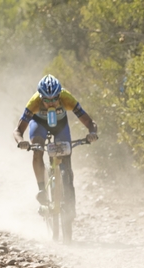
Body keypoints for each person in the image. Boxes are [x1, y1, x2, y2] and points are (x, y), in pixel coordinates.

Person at [13, 74, 98, 215]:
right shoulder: (34, 102)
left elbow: (89, 122)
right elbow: (18, 130)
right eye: (46, 100)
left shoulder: (67, 98)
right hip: (39, 124)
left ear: (60, 95)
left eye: (55, 99)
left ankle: (69, 191)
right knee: (38, 149)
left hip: (60, 125)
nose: (51, 103)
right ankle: (42, 190)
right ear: (40, 97)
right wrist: (21, 141)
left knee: (66, 154)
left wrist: (92, 133)